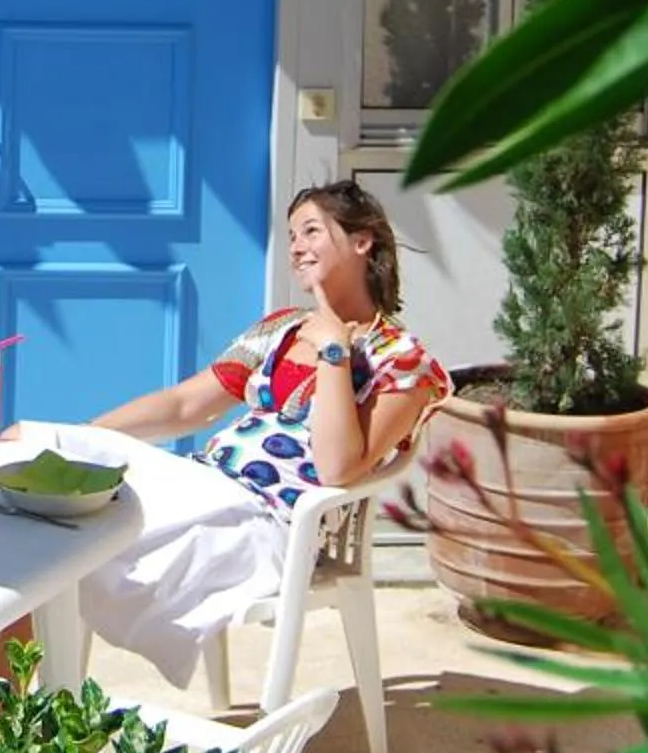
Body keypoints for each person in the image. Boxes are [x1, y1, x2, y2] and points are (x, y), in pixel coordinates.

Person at [96, 180, 450, 508]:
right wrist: (79, 437)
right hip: (211, 486)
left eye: (311, 232)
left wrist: (333, 352)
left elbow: (337, 468)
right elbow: (186, 406)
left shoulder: (402, 361)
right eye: (292, 237)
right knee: (93, 512)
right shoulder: (281, 328)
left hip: (270, 516)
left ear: (361, 241)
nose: (296, 249)